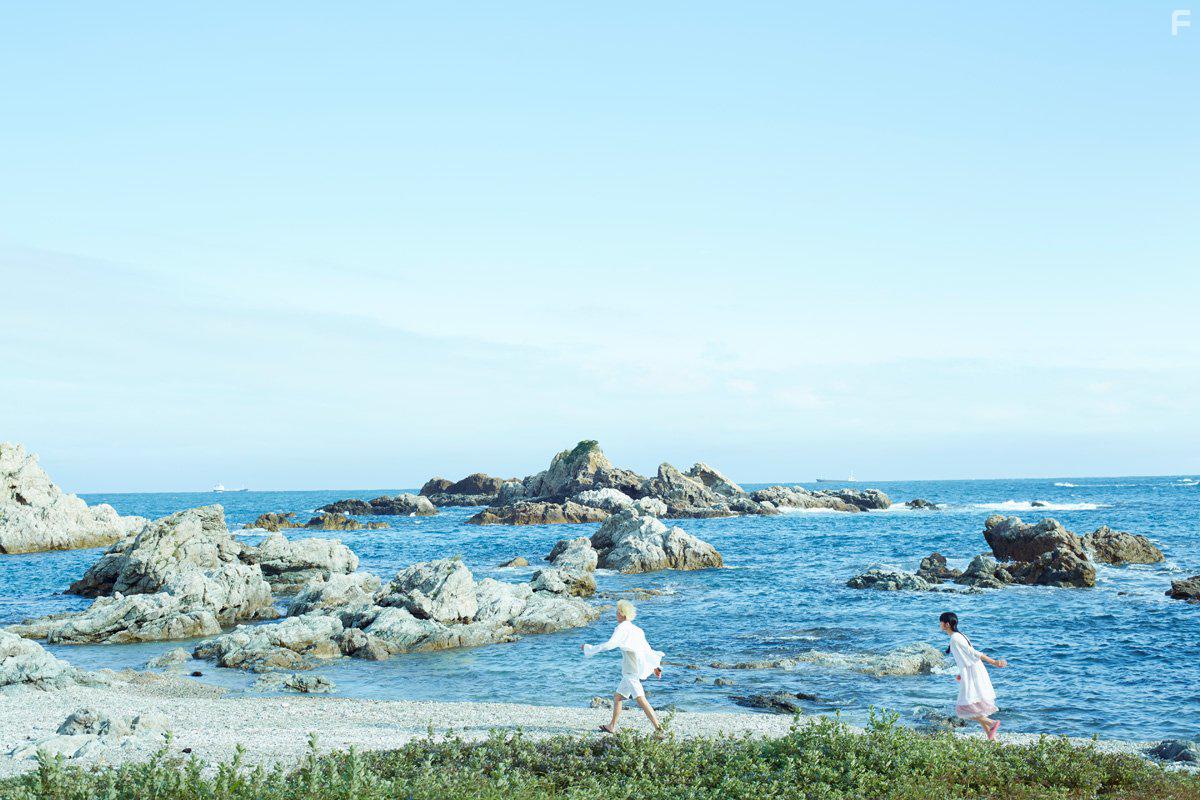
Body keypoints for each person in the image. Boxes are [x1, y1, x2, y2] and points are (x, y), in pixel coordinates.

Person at [581, 599, 664, 734]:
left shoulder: (621, 628)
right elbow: (646, 649)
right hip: (631, 670)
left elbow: (609, 645)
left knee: (641, 700)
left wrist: (589, 648)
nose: (616, 614)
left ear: (623, 614)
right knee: (618, 697)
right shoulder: (637, 630)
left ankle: (659, 729)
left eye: (617, 611)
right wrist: (655, 666)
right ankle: (612, 726)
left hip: (631, 671)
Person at [939, 611, 1008, 740]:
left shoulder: (955, 638)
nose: (939, 624)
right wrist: (961, 673)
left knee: (963, 708)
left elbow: (973, 653)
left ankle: (992, 723)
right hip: (971, 670)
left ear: (946, 624)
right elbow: (965, 657)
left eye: (941, 622)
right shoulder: (958, 636)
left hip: (972, 671)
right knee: (975, 705)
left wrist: (994, 662)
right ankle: (991, 738)